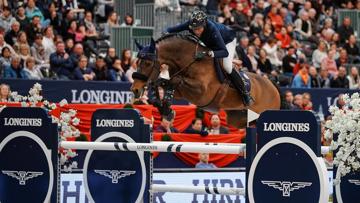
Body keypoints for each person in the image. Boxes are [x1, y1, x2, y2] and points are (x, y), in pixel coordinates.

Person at [165, 10, 253, 106]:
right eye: (194, 29)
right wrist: (165, 32)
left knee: (227, 67)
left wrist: (209, 54)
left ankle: (245, 93)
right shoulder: (192, 24)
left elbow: (224, 52)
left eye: (199, 29)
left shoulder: (212, 30)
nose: (196, 31)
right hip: (210, 42)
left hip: (227, 41)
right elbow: (173, 29)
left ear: (205, 24)